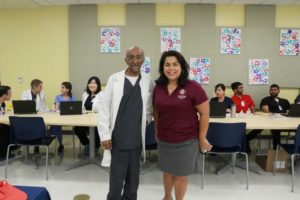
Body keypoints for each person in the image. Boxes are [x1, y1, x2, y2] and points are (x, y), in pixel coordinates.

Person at [153, 50, 211, 200]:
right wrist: (156, 132)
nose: (171, 68)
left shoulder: (193, 87)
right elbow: (156, 111)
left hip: (186, 140)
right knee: (167, 172)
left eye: (175, 64)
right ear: (162, 68)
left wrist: (202, 137)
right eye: (167, 65)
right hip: (165, 139)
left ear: (182, 67)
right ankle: (167, 197)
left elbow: (205, 113)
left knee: (180, 175)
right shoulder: (158, 87)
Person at [98, 46, 153, 200]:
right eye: (131, 57)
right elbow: (104, 108)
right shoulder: (114, 79)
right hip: (118, 139)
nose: (135, 60)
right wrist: (104, 135)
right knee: (116, 179)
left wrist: (145, 121)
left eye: (139, 57)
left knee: (133, 180)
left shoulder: (148, 81)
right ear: (126, 60)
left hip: (136, 140)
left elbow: (149, 108)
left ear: (143, 60)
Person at [246, 84, 291, 152]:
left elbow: (289, 112)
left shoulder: (285, 101)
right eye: (271, 90)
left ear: (279, 91)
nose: (273, 91)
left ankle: (282, 148)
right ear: (269, 91)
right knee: (274, 129)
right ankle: (276, 149)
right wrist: (278, 113)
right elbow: (266, 111)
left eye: (275, 90)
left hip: (283, 120)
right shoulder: (265, 99)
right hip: (269, 120)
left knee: (278, 129)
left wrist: (282, 114)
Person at [74, 77, 102, 156]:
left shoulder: (102, 95)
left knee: (96, 130)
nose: (92, 85)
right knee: (77, 128)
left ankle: (96, 146)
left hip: (97, 120)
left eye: (94, 83)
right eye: (90, 83)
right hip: (86, 119)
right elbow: (83, 107)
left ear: (98, 85)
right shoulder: (85, 94)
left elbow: (104, 108)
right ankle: (87, 144)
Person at [49, 82, 76, 154]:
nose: (61, 89)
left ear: (68, 89)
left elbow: (75, 109)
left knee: (56, 125)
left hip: (70, 117)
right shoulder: (58, 97)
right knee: (57, 125)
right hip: (60, 117)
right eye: (61, 87)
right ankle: (60, 144)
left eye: (63, 87)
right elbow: (56, 108)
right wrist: (54, 107)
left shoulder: (72, 97)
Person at [0, 86, 12, 161]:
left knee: (9, 127)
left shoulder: (2, 104)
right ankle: (3, 154)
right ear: (4, 95)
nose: (11, 95)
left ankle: (6, 151)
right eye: (10, 93)